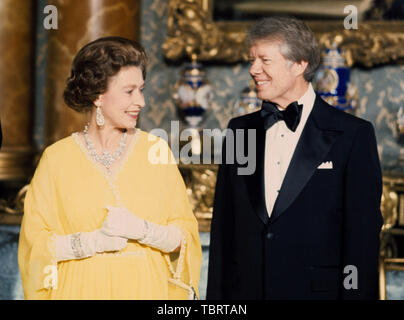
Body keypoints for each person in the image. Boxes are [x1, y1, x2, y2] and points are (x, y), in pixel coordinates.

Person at [207, 16, 383, 300]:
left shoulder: (353, 135)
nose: (253, 70)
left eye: (264, 60)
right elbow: (223, 234)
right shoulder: (239, 131)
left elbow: (361, 243)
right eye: (252, 60)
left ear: (299, 64)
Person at [18, 37, 202, 300]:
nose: (141, 101)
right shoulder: (56, 159)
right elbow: (34, 246)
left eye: (141, 89)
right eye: (129, 91)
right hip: (78, 292)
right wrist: (92, 242)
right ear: (97, 96)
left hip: (145, 290)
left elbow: (185, 239)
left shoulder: (156, 151)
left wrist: (143, 230)